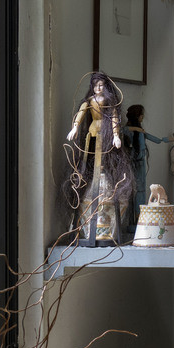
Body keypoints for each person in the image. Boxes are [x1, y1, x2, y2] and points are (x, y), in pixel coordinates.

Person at [62, 71, 135, 246]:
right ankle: (85, 228)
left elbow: (115, 119)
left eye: (101, 85)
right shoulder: (89, 102)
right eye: (95, 85)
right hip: (92, 133)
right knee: (89, 159)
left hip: (107, 135)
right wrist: (75, 128)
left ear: (106, 86)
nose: (98, 88)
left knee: (105, 160)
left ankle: (107, 229)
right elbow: (80, 114)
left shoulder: (109, 102)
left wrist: (116, 136)